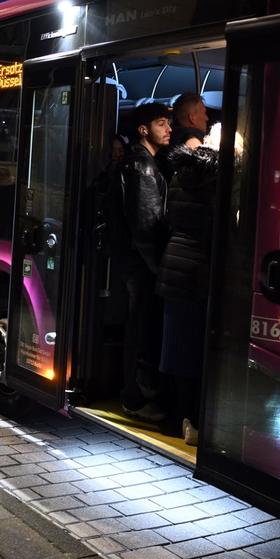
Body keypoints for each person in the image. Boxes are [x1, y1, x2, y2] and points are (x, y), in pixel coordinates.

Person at [155, 122, 228, 447]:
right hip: (202, 268)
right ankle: (196, 421)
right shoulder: (221, 180)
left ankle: (177, 417)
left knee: (177, 347)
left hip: (175, 264)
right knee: (201, 348)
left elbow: (167, 218)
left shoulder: (181, 174)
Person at [118, 102, 172, 422]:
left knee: (139, 327)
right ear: (143, 130)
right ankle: (137, 399)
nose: (168, 129)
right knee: (143, 329)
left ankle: (135, 395)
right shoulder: (143, 166)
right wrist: (158, 268)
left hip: (135, 263)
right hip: (142, 266)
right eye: (161, 123)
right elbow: (146, 225)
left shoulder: (138, 162)